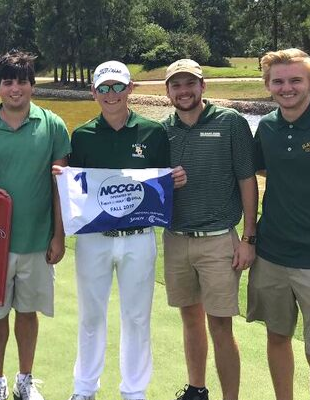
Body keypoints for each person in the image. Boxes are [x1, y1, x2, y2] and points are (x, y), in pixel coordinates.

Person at [63, 61, 186, 400]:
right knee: (91, 316)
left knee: (136, 317)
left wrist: (174, 180)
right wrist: (63, 178)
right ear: (94, 93)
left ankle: (134, 391)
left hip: (139, 238)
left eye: (118, 86)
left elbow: (161, 184)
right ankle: (84, 388)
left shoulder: (153, 132)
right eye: (104, 88)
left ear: (130, 88)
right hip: (94, 240)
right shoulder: (82, 135)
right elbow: (79, 190)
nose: (111, 94)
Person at [0, 50, 70, 400]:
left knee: (27, 313)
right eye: (8, 82)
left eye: (22, 81)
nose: (15, 88)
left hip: (37, 240)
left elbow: (60, 186)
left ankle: (24, 379)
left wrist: (59, 235)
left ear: (32, 85)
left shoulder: (52, 125)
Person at [250, 48, 310, 400]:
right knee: (277, 338)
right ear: (268, 85)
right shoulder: (267, 126)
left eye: (296, 80)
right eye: (278, 81)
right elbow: (260, 173)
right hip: (272, 256)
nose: (287, 88)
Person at [160, 59, 258, 400]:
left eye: (190, 83)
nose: (184, 91)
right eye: (176, 85)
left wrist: (248, 238)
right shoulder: (162, 130)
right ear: (168, 91)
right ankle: (196, 389)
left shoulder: (230, 122)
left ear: (203, 86)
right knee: (190, 318)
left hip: (218, 240)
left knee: (219, 324)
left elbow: (247, 179)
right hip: (176, 239)